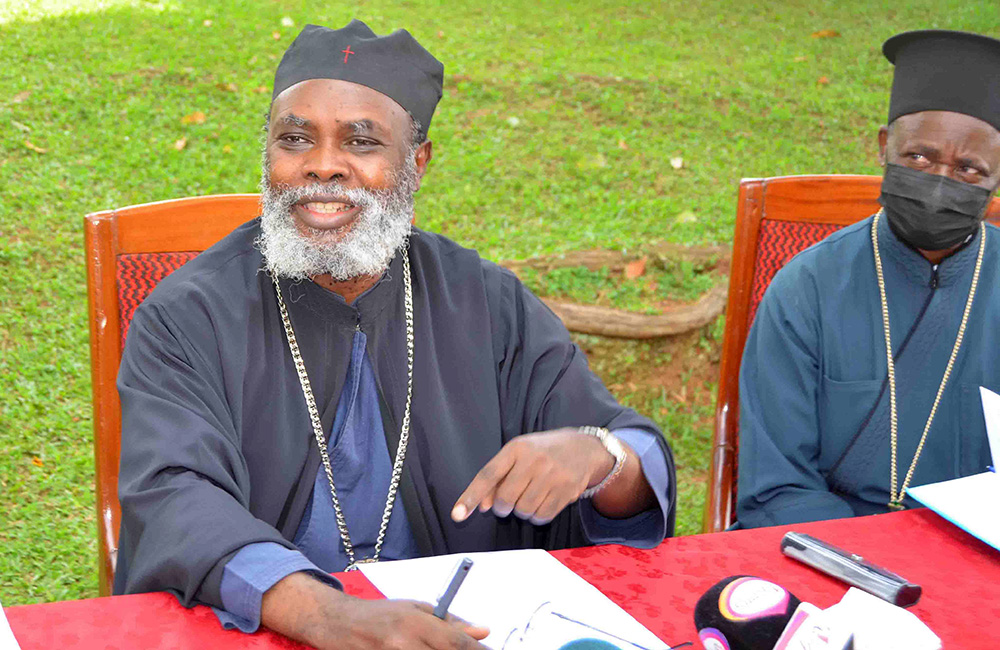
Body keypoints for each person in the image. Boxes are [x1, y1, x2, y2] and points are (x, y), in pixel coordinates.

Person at [113, 20, 676, 649]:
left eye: (361, 142)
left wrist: (601, 456)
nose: (323, 167)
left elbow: (628, 455)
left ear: (417, 162)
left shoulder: (484, 299)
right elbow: (172, 496)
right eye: (295, 140)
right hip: (262, 629)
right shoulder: (189, 313)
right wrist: (329, 615)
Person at [737, 30, 1000, 528]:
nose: (939, 182)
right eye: (919, 157)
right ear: (884, 145)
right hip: (831, 547)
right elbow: (775, 488)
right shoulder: (807, 288)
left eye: (968, 168)